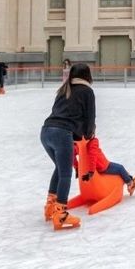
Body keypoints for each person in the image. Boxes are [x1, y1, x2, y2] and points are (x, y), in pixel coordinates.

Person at [41, 62, 96, 230]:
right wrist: (88, 135)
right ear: (87, 76)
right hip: (62, 133)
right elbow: (90, 117)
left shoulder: (64, 89)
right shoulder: (87, 91)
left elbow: (59, 111)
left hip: (45, 132)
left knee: (60, 167)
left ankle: (50, 205)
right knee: (66, 173)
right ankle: (61, 212)